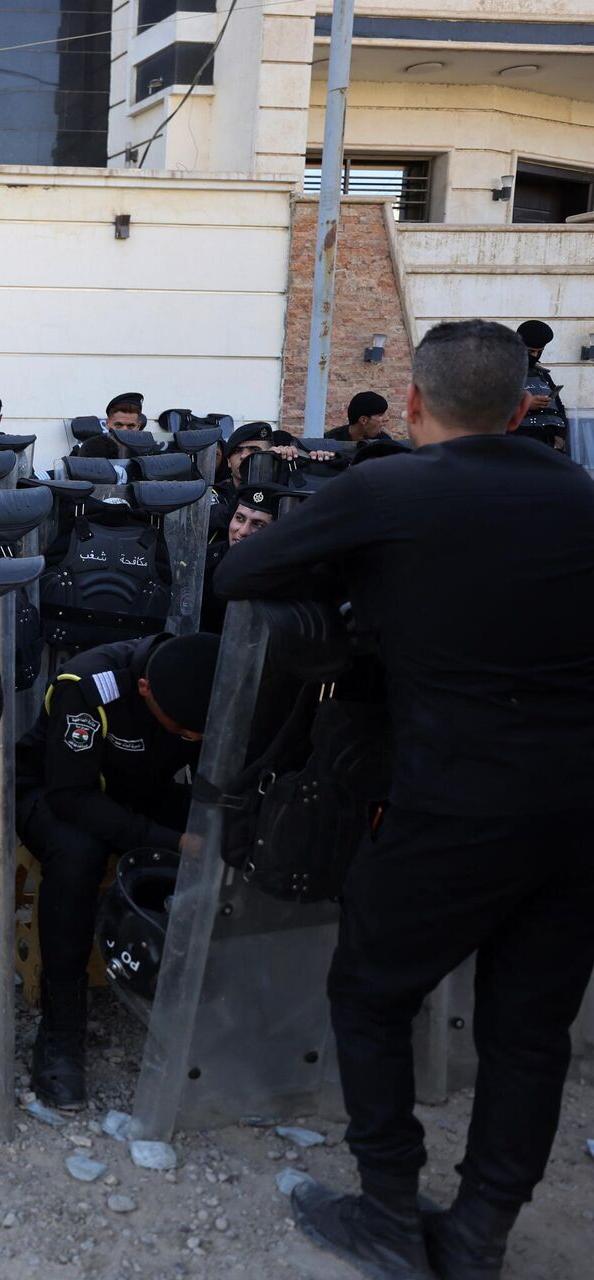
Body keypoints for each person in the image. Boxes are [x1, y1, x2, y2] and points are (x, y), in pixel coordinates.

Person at [217, 320, 594, 1280]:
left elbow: (243, 571)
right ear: (521, 411)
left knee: (371, 993)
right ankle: (478, 1235)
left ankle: (389, 1209)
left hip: (457, 805)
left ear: (415, 404)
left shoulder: (389, 488)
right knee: (528, 1029)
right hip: (579, 809)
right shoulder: (581, 494)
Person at [16, 631, 220, 1108]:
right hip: (53, 793)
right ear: (146, 689)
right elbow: (72, 798)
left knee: (234, 828)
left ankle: (221, 1002)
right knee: (78, 853)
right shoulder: (87, 686)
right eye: (186, 730)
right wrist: (175, 842)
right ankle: (61, 1031)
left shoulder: (208, 671)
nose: (193, 740)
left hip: (133, 790)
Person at [200, 485, 278, 632]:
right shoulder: (204, 563)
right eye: (240, 518)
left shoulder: (279, 576)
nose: (243, 531)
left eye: (258, 525)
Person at [514, 319, 570, 451]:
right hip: (517, 444)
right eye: (531, 351)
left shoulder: (542, 374)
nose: (535, 355)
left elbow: (558, 405)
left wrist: (560, 434)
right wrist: (526, 404)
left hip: (547, 444)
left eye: (539, 351)